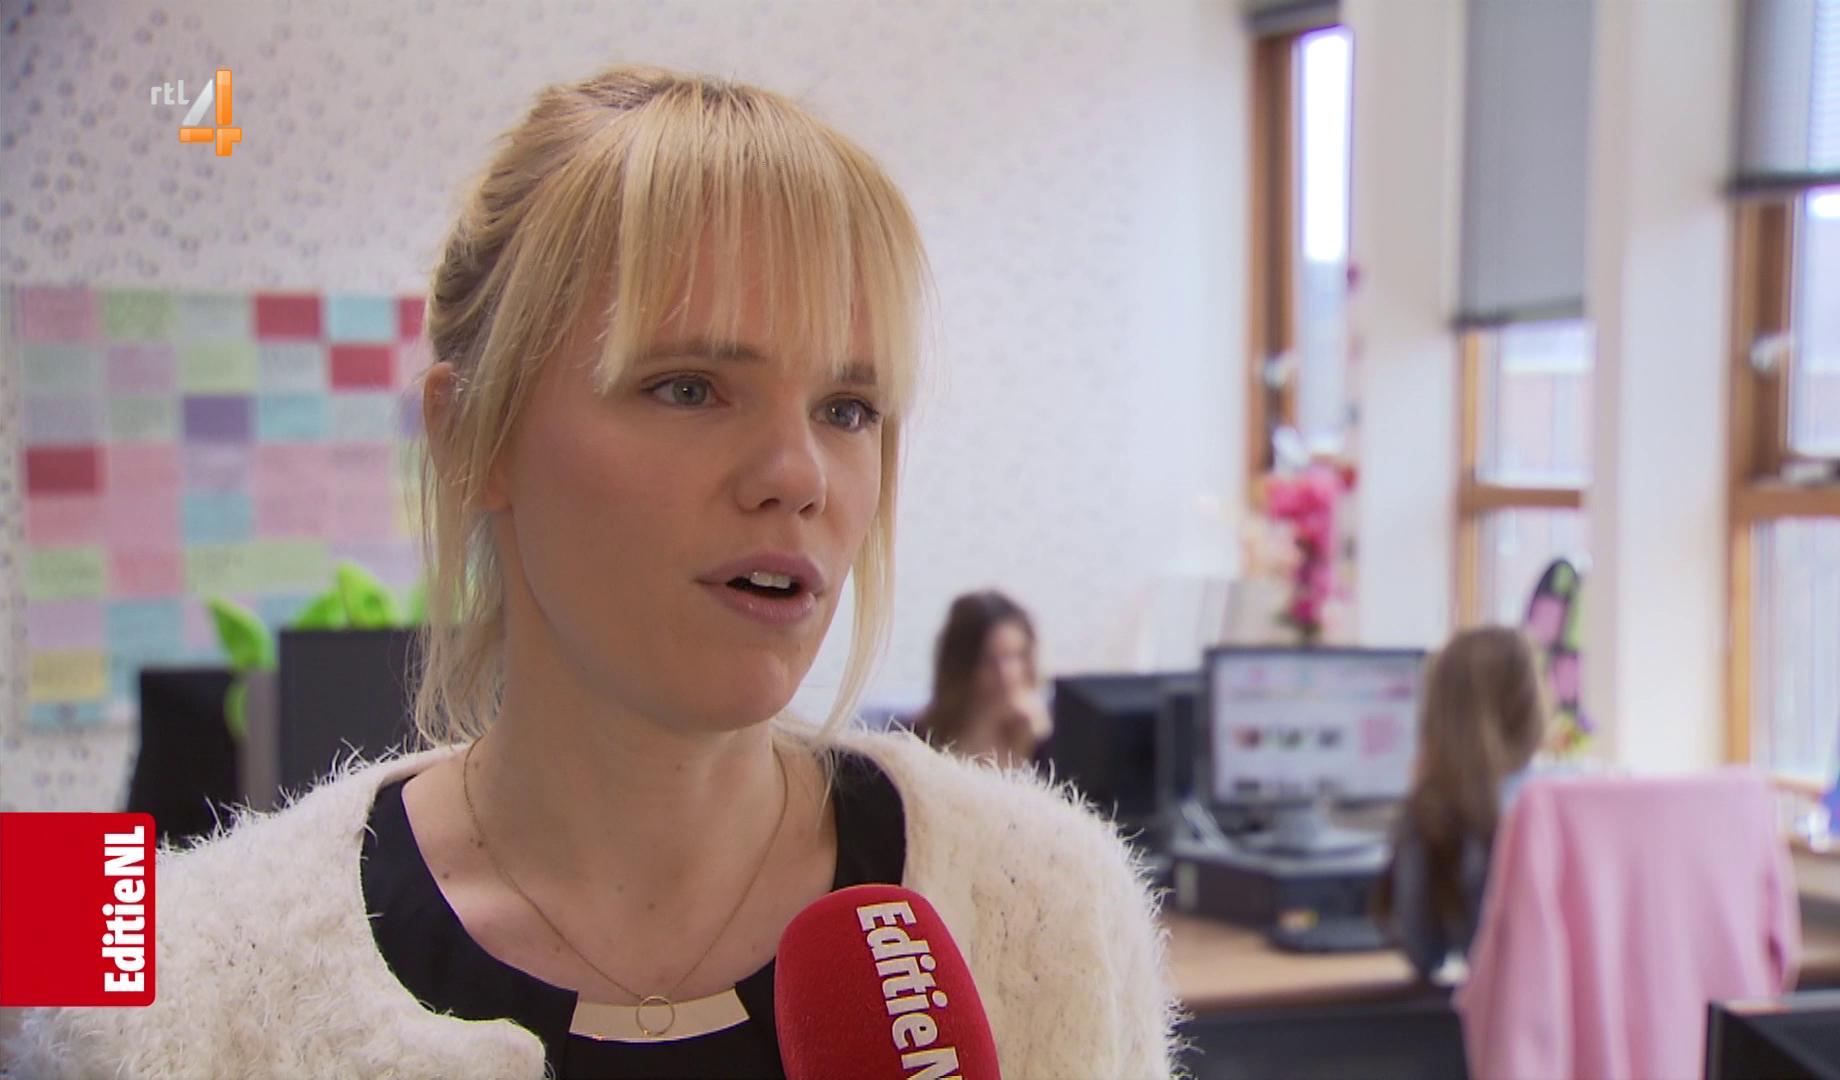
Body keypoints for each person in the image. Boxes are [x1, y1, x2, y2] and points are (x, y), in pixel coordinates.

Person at [5, 66, 1177, 1078]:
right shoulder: (176, 992)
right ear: (474, 439)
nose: (799, 474)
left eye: (848, 406)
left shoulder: (1052, 911)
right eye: (689, 387)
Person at [1374, 625, 1548, 982]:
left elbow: (1424, 952)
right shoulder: (1577, 796)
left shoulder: (1434, 812)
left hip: (1503, 1013)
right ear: (1534, 706)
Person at [912, 590, 1054, 769]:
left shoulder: (1042, 735)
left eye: (1014, 656)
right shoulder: (918, 739)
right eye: (988, 660)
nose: (1004, 674)